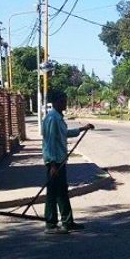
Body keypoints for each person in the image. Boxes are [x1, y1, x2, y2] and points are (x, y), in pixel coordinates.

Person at [42, 90, 94, 234]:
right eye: (63, 101)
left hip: (60, 161)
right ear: (56, 102)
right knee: (53, 193)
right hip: (55, 162)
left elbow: (64, 133)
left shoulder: (57, 118)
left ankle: (67, 222)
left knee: (62, 192)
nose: (65, 103)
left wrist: (82, 128)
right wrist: (52, 164)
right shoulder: (52, 118)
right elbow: (50, 142)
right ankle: (51, 225)